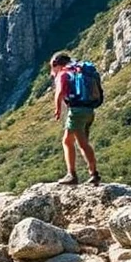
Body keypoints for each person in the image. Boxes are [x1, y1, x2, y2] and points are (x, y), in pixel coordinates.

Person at [50, 51, 100, 185]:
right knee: (78, 141)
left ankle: (73, 175)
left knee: (71, 142)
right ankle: (93, 174)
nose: (52, 71)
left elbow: (59, 92)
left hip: (77, 112)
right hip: (89, 110)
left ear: (56, 64)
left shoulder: (63, 73)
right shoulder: (78, 70)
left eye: (52, 67)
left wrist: (58, 109)